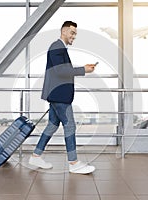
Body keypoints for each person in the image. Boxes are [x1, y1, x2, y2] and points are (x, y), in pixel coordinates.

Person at [28, 21, 97, 174]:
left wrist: (83, 68)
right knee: (70, 125)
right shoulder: (57, 46)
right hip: (59, 95)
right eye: (72, 33)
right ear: (64, 31)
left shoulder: (59, 48)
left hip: (56, 94)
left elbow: (62, 70)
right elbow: (61, 71)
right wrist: (83, 69)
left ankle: (36, 155)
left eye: (75, 34)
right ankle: (74, 163)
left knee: (52, 125)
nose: (74, 36)